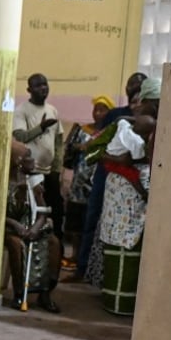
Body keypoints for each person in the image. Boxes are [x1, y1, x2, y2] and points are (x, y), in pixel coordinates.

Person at [96, 78, 160, 314]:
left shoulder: (133, 120)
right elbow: (125, 160)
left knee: (125, 242)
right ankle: (121, 302)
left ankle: (120, 299)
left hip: (125, 186)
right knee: (125, 242)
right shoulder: (146, 120)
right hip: (128, 190)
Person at [74, 72, 145, 281]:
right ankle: (83, 268)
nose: (133, 88)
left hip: (134, 181)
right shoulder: (116, 115)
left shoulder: (147, 118)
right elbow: (99, 144)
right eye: (131, 84)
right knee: (93, 218)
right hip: (106, 174)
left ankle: (113, 277)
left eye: (139, 86)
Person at [5, 139, 62, 313]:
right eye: (27, 157)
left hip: (31, 226)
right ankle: (19, 293)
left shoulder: (34, 181)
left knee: (54, 243)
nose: (32, 160)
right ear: (17, 161)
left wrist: (35, 228)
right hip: (8, 226)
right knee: (16, 245)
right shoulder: (3, 182)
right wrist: (16, 226)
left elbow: (43, 210)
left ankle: (45, 293)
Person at [62, 95, 113, 268]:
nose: (98, 113)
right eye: (96, 109)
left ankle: (88, 261)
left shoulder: (110, 132)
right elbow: (70, 149)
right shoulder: (83, 130)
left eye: (102, 110)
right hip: (79, 183)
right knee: (75, 222)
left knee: (90, 222)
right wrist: (80, 147)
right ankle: (74, 257)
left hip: (96, 184)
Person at [12, 73, 65, 243]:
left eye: (45, 84)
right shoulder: (21, 111)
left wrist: (57, 169)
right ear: (29, 90)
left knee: (55, 212)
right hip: (31, 172)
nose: (43, 88)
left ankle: (54, 252)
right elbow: (20, 137)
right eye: (38, 85)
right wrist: (41, 127)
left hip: (50, 173)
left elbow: (58, 141)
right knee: (34, 213)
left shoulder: (52, 110)